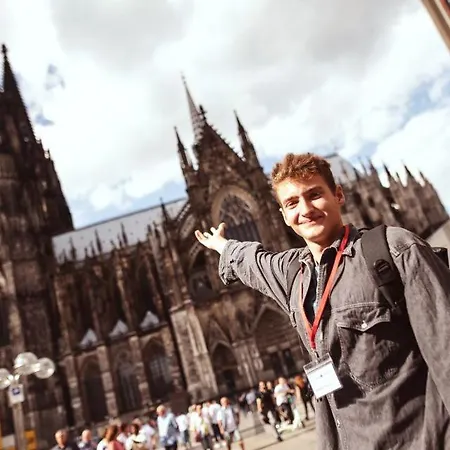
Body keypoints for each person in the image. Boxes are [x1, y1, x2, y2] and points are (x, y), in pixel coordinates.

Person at [195, 152, 450, 450]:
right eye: (292, 203)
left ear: (339, 195)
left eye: (314, 195)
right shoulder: (294, 275)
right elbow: (254, 261)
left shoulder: (395, 251)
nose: (305, 209)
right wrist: (222, 246)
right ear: (282, 215)